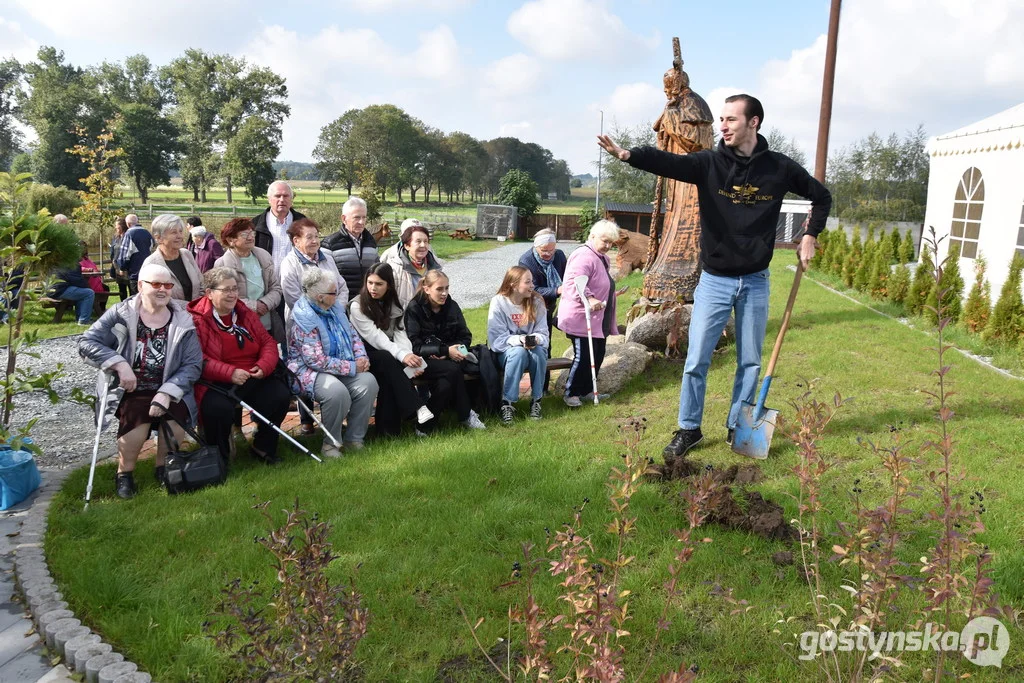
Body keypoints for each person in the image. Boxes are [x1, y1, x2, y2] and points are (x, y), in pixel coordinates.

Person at [597, 93, 832, 458]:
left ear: (753, 123)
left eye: (731, 120)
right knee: (696, 361)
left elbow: (822, 196)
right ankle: (688, 429)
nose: (722, 125)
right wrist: (630, 156)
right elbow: (668, 162)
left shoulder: (779, 169)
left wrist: (810, 235)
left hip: (755, 281)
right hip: (715, 280)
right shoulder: (709, 163)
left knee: (750, 360)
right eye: (721, 119)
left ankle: (738, 425)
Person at [78, 263, 203, 499]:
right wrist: (119, 363)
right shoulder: (121, 313)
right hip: (131, 388)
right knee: (137, 413)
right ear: (140, 286)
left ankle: (164, 467)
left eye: (168, 285)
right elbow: (87, 343)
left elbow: (193, 364)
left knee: (176, 412)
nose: (163, 290)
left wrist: (166, 392)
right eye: (156, 284)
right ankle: (124, 474)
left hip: (169, 385)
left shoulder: (183, 319)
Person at [188, 267, 290, 465]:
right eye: (226, 290)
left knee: (279, 394)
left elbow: (267, 342)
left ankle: (263, 446)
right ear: (209, 293)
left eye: (235, 288)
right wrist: (230, 373)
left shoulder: (244, 312)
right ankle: (220, 458)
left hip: (252, 373)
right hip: (216, 381)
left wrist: (263, 366)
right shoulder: (197, 320)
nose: (232, 294)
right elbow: (197, 359)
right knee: (217, 408)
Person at [286, 268, 379, 456]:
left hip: (340, 366)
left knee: (368, 382)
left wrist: (362, 357)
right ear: (320, 296)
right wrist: (353, 367)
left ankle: (355, 439)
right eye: (333, 292)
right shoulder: (304, 318)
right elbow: (315, 360)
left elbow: (353, 336)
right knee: (336, 392)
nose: (337, 295)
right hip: (307, 371)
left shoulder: (335, 308)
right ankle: (331, 444)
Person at [349, 262, 434, 437]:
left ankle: (388, 432)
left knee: (390, 374)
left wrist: (409, 357)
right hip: (363, 355)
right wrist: (403, 356)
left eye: (379, 284)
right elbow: (376, 337)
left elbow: (400, 333)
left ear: (389, 285)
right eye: (370, 282)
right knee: (388, 359)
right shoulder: (357, 306)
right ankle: (417, 407)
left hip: (388, 354)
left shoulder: (394, 303)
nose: (373, 288)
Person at [404, 270, 486, 430]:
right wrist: (444, 351)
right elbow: (415, 345)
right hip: (422, 362)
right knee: (453, 371)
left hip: (451, 358)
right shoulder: (414, 308)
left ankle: (424, 426)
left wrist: (453, 351)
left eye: (447, 288)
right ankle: (466, 414)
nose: (444, 293)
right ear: (427, 289)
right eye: (439, 289)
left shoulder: (452, 306)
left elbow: (466, 337)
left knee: (446, 383)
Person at [557, 220, 623, 408]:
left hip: (598, 317)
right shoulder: (584, 256)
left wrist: (610, 293)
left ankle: (586, 391)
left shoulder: (602, 257)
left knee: (598, 353)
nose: (608, 246)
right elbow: (573, 284)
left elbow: (598, 281)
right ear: (592, 236)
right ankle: (571, 393)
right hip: (580, 316)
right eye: (605, 241)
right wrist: (590, 298)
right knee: (584, 355)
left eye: (611, 243)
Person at [487, 266, 549, 425]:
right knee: (518, 353)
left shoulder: (537, 301)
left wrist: (534, 340)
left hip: (533, 349)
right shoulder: (499, 302)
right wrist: (520, 341)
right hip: (506, 353)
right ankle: (507, 403)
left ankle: (537, 400)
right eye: (527, 282)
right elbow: (497, 340)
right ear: (514, 285)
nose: (532, 286)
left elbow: (543, 333)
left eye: (532, 281)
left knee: (539, 352)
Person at [213, 217, 284, 343]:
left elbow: (276, 287)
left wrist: (265, 303)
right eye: (244, 234)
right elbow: (223, 297)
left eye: (252, 233)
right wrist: (253, 306)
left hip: (267, 322)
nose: (251, 237)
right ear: (230, 240)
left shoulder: (264, 256)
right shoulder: (222, 264)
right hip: (240, 324)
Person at [518, 228, 566, 392]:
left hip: (549, 306)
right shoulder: (526, 261)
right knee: (535, 346)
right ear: (536, 247)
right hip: (532, 308)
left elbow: (566, 277)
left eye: (551, 250)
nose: (548, 254)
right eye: (544, 250)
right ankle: (536, 387)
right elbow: (533, 288)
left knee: (546, 346)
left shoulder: (559, 256)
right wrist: (556, 290)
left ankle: (543, 389)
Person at [279, 218, 348, 320]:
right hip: (306, 324)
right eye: (309, 237)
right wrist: (322, 313)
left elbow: (342, 287)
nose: (315, 241)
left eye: (316, 236)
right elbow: (294, 299)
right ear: (296, 241)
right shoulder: (289, 264)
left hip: (334, 319)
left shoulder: (327, 259)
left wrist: (336, 310)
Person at [323, 196, 379, 296]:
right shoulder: (329, 244)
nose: (361, 222)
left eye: (364, 217)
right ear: (344, 219)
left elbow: (376, 273)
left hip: (368, 303)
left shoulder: (371, 243)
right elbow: (325, 280)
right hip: (340, 304)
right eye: (357, 217)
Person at [381, 219, 443, 307]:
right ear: (406, 242)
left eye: (425, 241)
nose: (423, 245)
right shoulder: (393, 265)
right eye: (418, 241)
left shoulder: (436, 265)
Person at [143, 214, 203, 302]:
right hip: (168, 315)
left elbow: (201, 285)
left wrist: (197, 308)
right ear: (159, 238)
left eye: (181, 231)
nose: (180, 236)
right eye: (174, 232)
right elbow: (150, 298)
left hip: (195, 313)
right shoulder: (151, 264)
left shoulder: (187, 254)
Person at [252, 180, 307, 276]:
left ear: (291, 199)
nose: (282, 200)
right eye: (277, 196)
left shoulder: (303, 222)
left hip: (297, 283)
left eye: (286, 196)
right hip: (266, 284)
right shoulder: (255, 225)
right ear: (269, 199)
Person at [115, 215, 154, 296]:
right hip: (147, 271)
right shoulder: (147, 233)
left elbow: (124, 254)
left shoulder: (129, 234)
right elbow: (152, 246)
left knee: (135, 298)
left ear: (128, 224)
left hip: (134, 272)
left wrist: (122, 267)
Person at [49, 259, 95, 325]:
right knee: (89, 293)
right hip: (60, 290)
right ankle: (84, 320)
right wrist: (87, 286)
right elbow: (77, 280)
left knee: (82, 293)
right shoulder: (72, 264)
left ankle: (80, 318)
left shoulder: (62, 261)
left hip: (51, 289)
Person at [79, 240, 110, 314]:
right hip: (85, 282)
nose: (84, 249)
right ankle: (97, 309)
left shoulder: (87, 258)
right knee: (103, 289)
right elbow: (79, 268)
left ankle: (101, 308)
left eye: (85, 247)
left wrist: (97, 270)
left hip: (94, 280)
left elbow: (93, 266)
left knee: (106, 288)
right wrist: (90, 270)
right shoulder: (77, 259)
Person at [109, 217, 131, 302]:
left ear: (123, 227)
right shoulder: (116, 238)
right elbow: (112, 252)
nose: (116, 229)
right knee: (122, 290)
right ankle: (123, 306)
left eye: (118, 227)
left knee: (131, 289)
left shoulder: (128, 237)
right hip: (117, 267)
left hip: (127, 268)